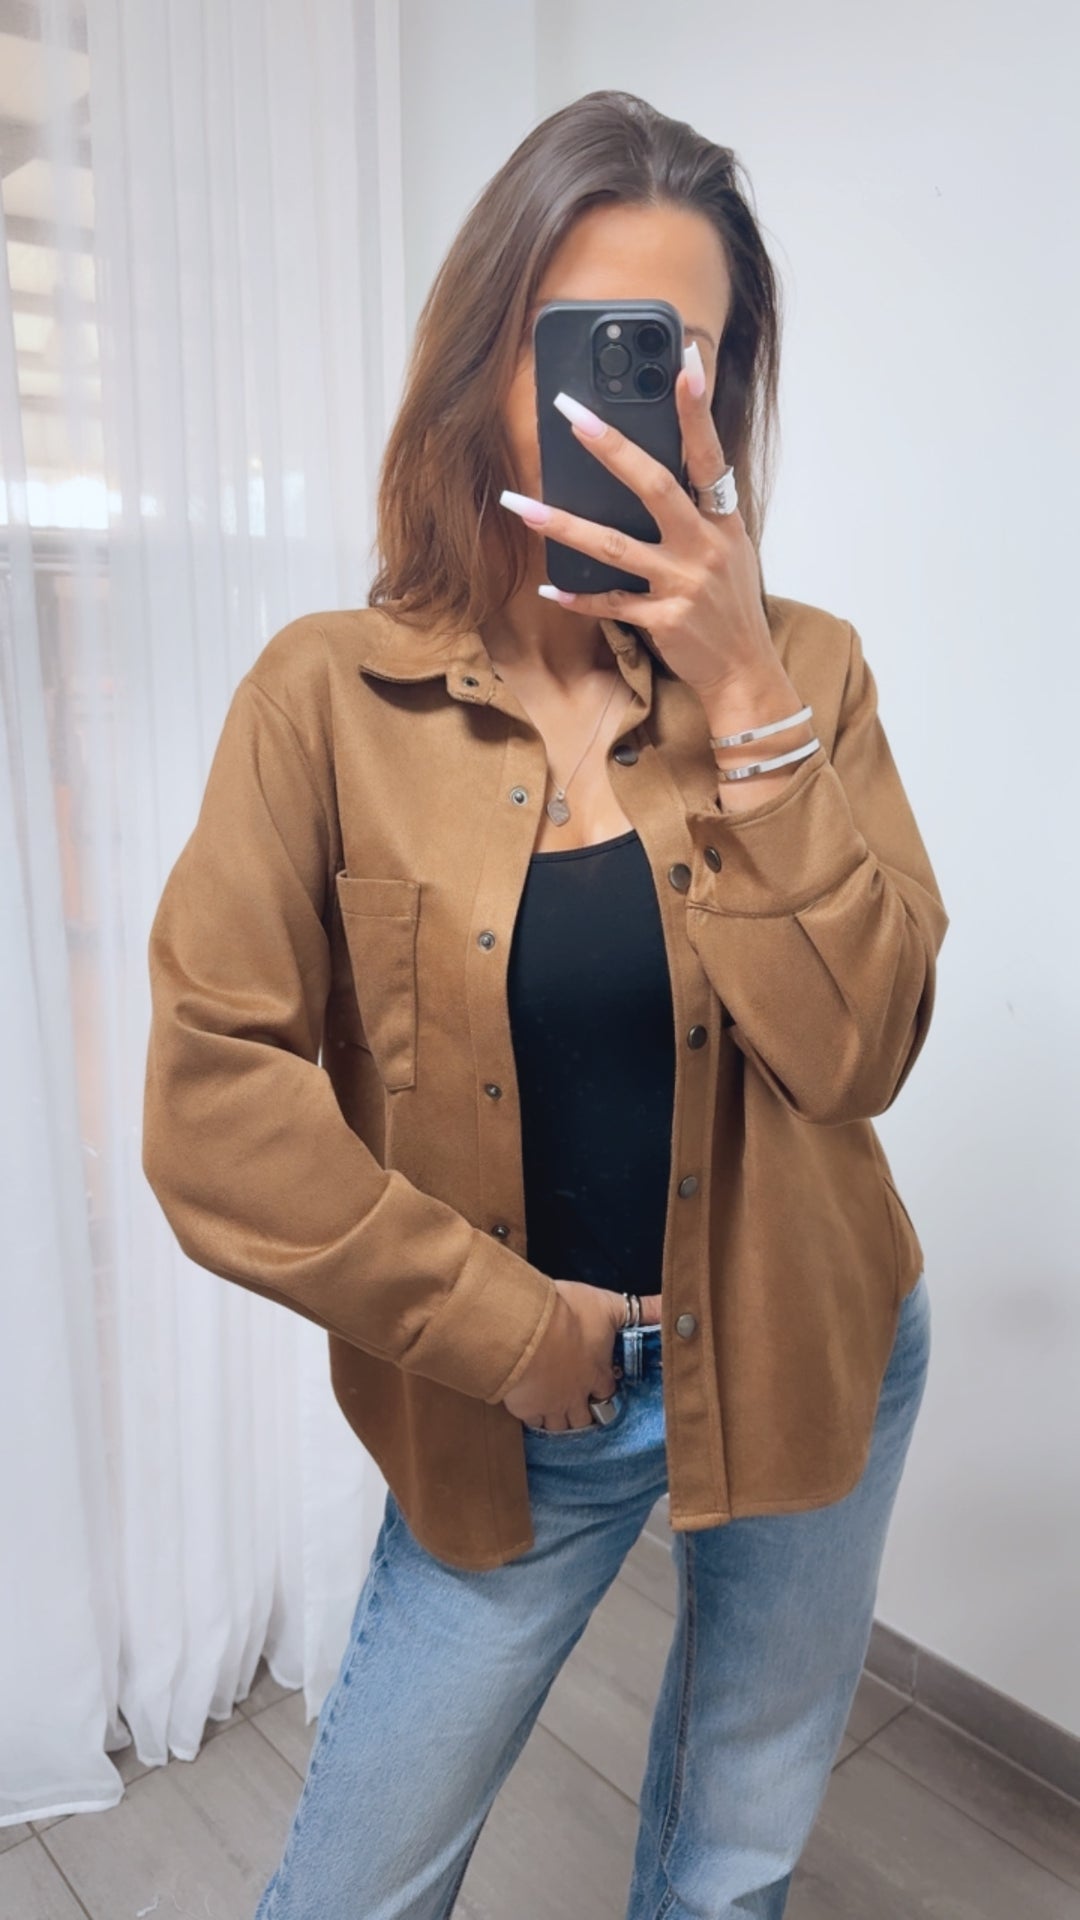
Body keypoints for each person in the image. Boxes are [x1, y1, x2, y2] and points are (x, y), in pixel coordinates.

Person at [143, 88, 948, 1920]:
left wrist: (746, 704)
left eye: (683, 359)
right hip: (517, 1405)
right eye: (585, 344)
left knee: (731, 1863)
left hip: (815, 1337)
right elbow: (211, 1107)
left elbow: (860, 1052)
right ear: (481, 358)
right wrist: (502, 1326)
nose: (629, 409)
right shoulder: (322, 701)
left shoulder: (807, 674)